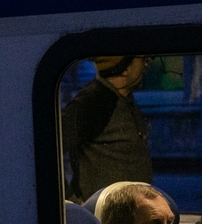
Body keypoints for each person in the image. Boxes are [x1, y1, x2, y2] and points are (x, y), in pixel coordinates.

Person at [61, 55, 152, 201]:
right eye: (142, 59)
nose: (146, 65)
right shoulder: (93, 101)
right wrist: (71, 202)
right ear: (124, 68)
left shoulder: (123, 98)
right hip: (103, 212)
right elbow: (49, 148)